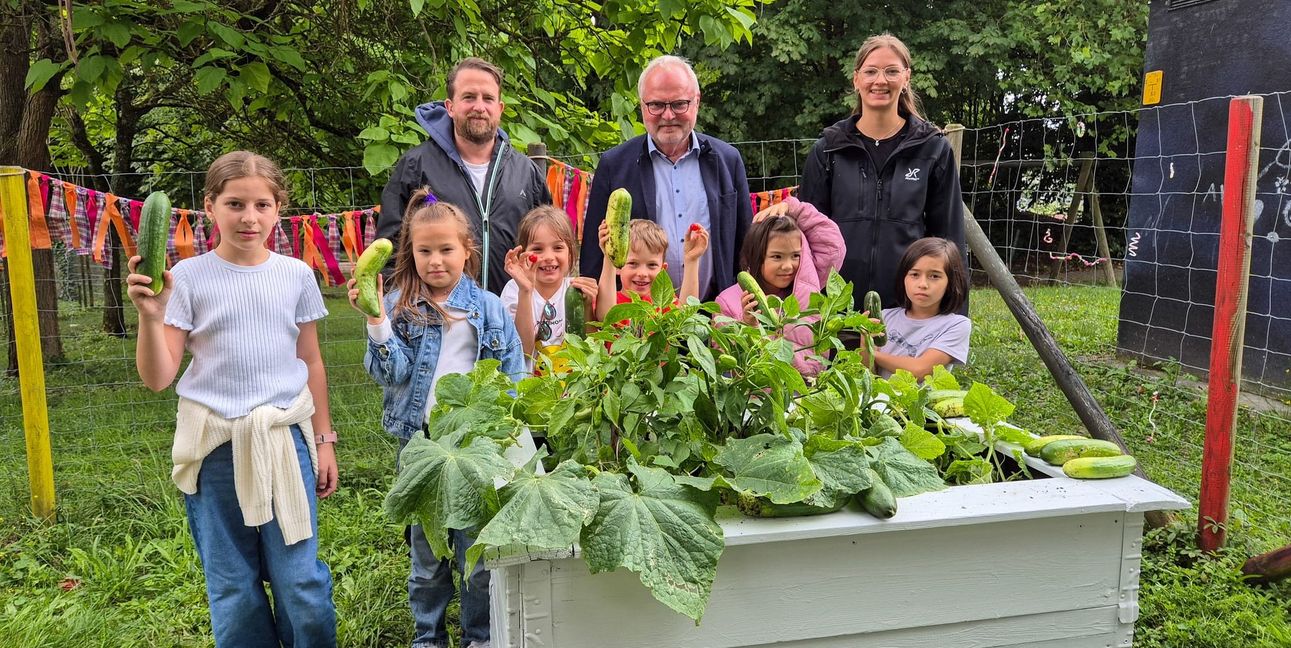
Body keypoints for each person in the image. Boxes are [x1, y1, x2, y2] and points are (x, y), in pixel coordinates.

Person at [126, 151, 338, 647]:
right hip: (215, 448)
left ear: (278, 209)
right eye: (235, 203)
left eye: (262, 204)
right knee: (233, 586)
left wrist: (324, 440)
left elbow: (311, 362)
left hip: (287, 442)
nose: (249, 217)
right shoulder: (188, 278)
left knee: (300, 582)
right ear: (210, 206)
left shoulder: (295, 275)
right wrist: (152, 316)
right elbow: (158, 377)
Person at [350, 188, 525, 648]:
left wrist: (503, 430)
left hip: (475, 449)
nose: (435, 261)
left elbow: (511, 374)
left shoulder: (487, 308)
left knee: (475, 554)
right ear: (411, 252)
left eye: (446, 249)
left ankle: (479, 638)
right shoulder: (398, 307)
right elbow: (391, 372)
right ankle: (427, 637)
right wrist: (375, 318)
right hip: (421, 445)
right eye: (424, 251)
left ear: (467, 250)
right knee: (426, 556)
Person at [797, 33, 965, 313]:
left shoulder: (933, 150)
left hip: (909, 310)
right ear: (856, 79)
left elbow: (949, 241)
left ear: (906, 78)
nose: (880, 81)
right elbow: (806, 239)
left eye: (891, 71)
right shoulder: (828, 151)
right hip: (835, 313)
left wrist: (953, 319)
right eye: (871, 71)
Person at [579, 54, 752, 301]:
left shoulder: (728, 160)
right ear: (642, 106)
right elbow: (594, 258)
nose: (668, 115)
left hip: (716, 319)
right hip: (637, 325)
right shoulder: (614, 165)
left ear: (696, 102)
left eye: (679, 104)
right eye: (657, 105)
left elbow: (746, 247)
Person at [379, 57, 551, 294]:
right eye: (469, 97)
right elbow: (389, 251)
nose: (479, 107)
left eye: (488, 98)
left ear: (500, 109)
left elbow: (546, 245)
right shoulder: (416, 167)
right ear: (450, 106)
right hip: (438, 319)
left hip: (513, 317)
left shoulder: (526, 173)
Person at [715, 197, 845, 376]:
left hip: (805, 394)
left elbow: (833, 245)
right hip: (756, 399)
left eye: (795, 256)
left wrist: (793, 208)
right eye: (777, 257)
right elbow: (725, 364)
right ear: (756, 256)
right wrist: (748, 327)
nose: (788, 266)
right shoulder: (727, 302)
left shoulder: (807, 285)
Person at [501, 205, 599, 374]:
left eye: (558, 247)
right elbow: (522, 351)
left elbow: (590, 349)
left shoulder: (576, 290)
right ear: (523, 254)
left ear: (570, 254)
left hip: (570, 395)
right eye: (537, 249)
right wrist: (525, 291)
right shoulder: (514, 290)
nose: (548, 257)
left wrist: (588, 307)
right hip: (528, 392)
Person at [870, 237, 971, 380]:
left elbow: (921, 370)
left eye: (934, 276)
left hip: (921, 402)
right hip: (879, 401)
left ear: (951, 283)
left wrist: (874, 354)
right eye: (914, 274)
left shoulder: (956, 325)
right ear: (903, 278)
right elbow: (867, 372)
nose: (923, 284)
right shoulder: (884, 317)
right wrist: (865, 343)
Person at [595, 219, 708, 321]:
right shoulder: (610, 299)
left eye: (652, 265)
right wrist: (609, 257)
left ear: (662, 270)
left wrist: (691, 260)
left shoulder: (663, 302)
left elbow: (685, 315)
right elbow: (605, 316)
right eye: (633, 263)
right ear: (618, 266)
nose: (642, 273)